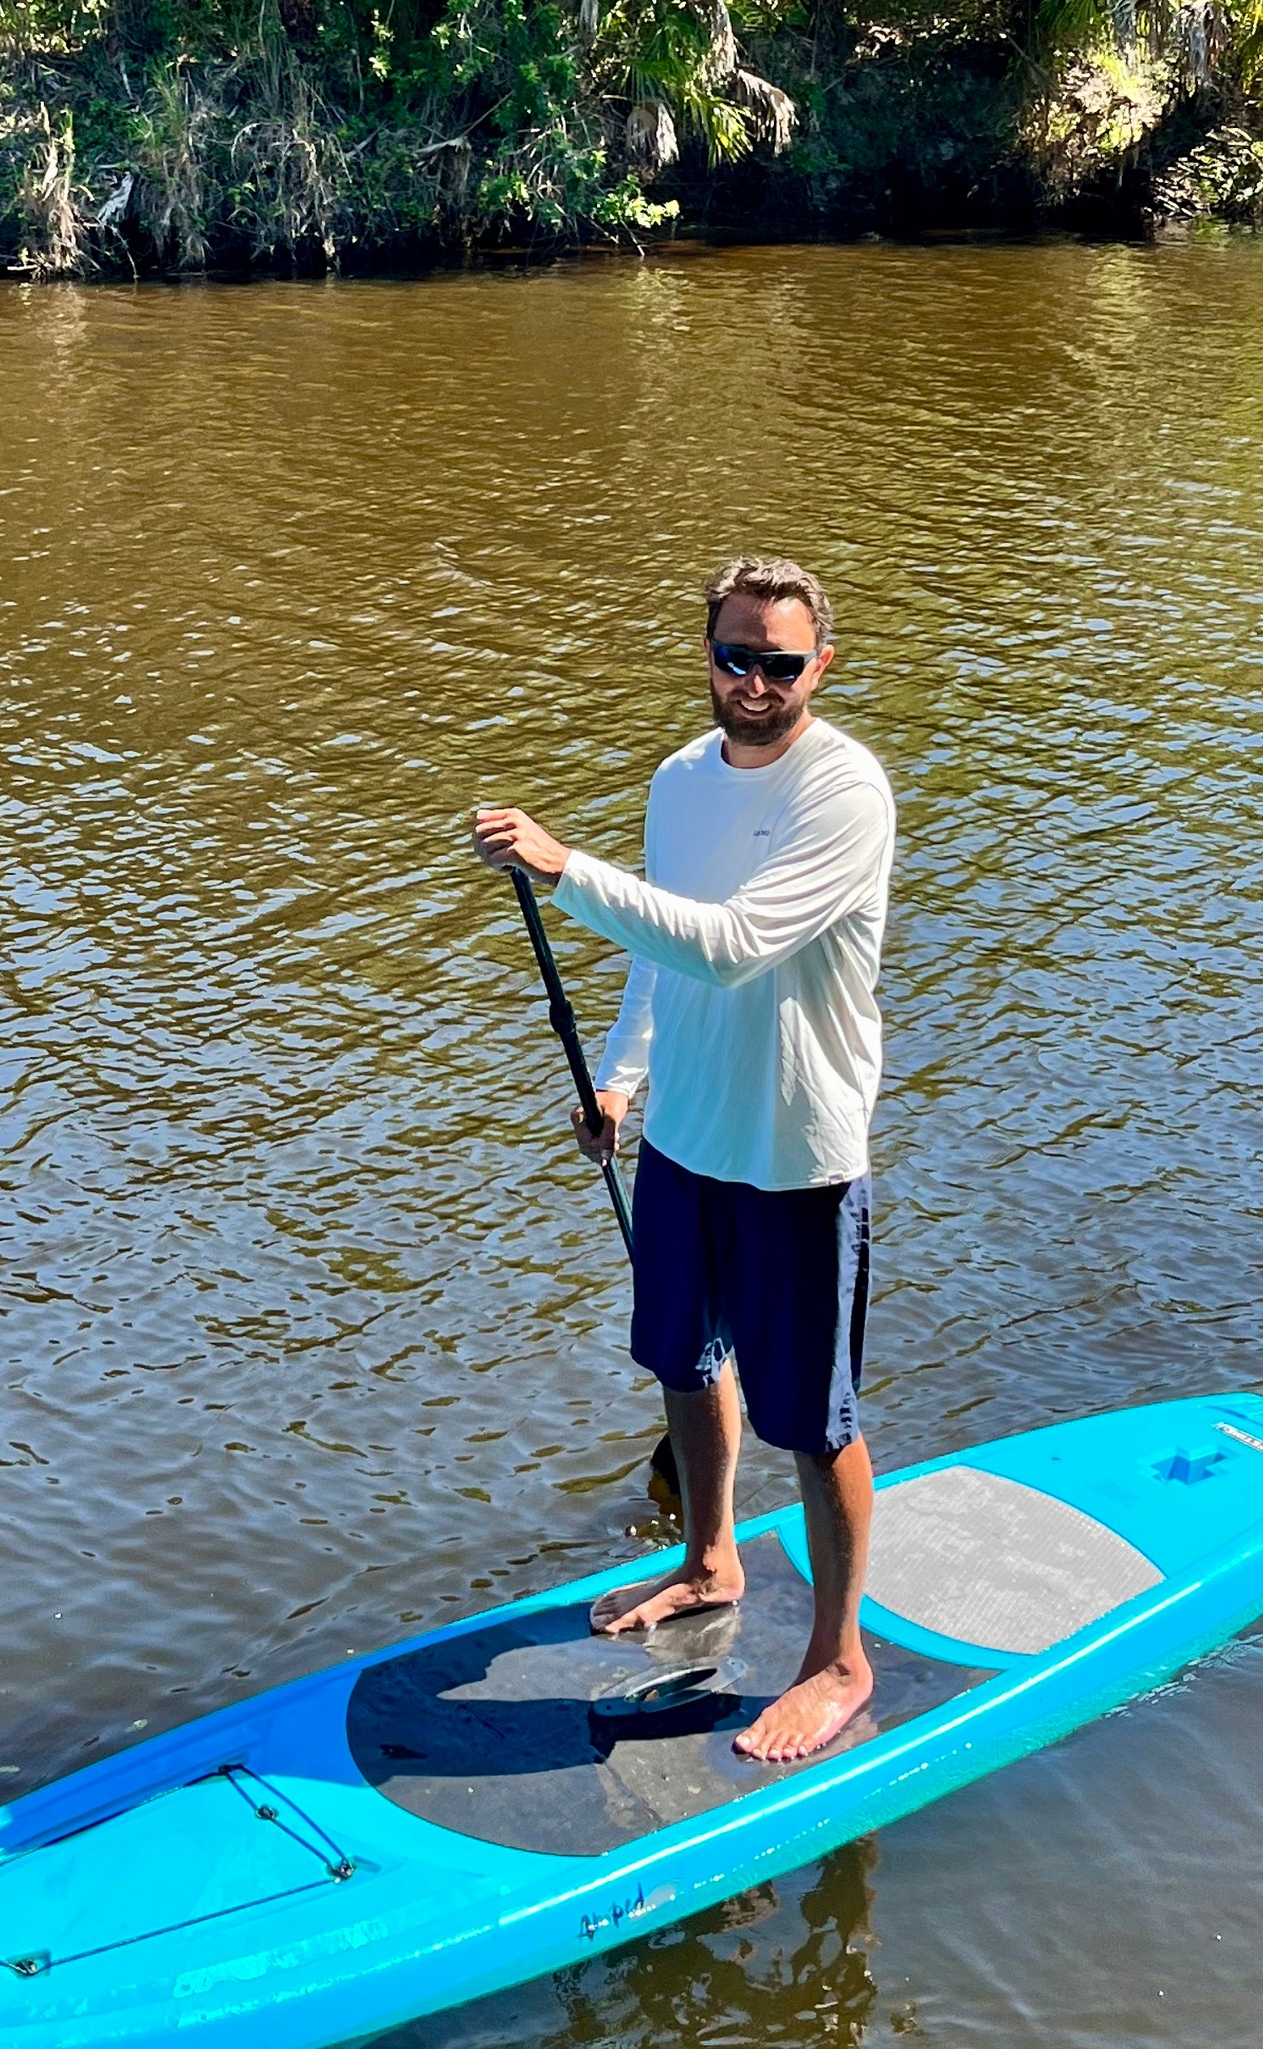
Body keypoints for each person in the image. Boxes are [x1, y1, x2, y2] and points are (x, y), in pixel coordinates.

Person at [472, 554, 896, 1764]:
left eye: (779, 661)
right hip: (687, 1141)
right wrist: (621, 1078)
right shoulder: (677, 782)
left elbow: (732, 945)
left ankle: (838, 1660)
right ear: (706, 651)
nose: (754, 680)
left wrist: (564, 870)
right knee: (680, 1356)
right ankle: (710, 1562)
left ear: (821, 663)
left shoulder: (843, 793)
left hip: (796, 1152)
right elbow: (660, 959)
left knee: (812, 1421)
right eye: (733, 654)